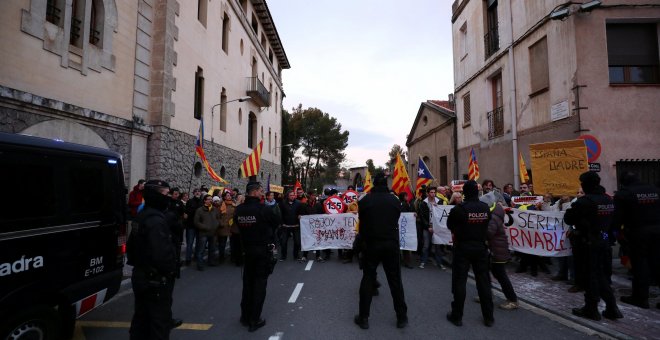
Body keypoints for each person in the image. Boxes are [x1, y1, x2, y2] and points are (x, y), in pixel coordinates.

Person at [564, 171, 622, 321]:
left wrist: (572, 210)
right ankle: (612, 307)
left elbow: (569, 218)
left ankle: (591, 308)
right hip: (603, 238)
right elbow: (614, 221)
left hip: (588, 241)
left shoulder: (584, 202)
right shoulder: (607, 200)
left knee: (590, 276)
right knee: (601, 275)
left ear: (585, 185)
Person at [354, 172, 408, 330]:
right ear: (386, 184)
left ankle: (364, 318)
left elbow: (362, 223)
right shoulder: (395, 201)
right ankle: (402, 317)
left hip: (371, 244)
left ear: (374, 184)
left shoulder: (365, 201)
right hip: (390, 243)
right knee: (395, 281)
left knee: (368, 279)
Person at [128, 180, 179, 340]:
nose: (168, 197)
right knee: (158, 323)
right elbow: (162, 255)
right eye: (165, 194)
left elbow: (132, 247)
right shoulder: (156, 221)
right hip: (154, 280)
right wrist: (171, 270)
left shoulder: (141, 216)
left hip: (141, 275)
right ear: (156, 195)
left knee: (141, 319)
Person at [446, 180, 494, 327]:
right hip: (480, 248)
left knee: (460, 282)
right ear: (477, 192)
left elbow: (450, 226)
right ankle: (489, 317)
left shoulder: (459, 209)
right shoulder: (485, 208)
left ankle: (457, 316)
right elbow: (487, 224)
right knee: (484, 283)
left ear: (465, 193)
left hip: (463, 248)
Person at [235, 181, 279, 332]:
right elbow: (276, 222)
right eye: (261, 191)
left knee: (247, 284)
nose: (262, 194)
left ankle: (245, 316)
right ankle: (255, 319)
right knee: (259, 285)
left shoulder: (239, 210)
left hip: (247, 251)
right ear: (254, 192)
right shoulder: (263, 209)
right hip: (261, 251)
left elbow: (237, 226)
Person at [612, 172, 660, 310]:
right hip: (657, 231)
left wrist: (615, 234)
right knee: (658, 263)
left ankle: (640, 298)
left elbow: (617, 218)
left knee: (640, 266)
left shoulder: (623, 194)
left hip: (638, 233)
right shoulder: (654, 190)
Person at [481, 191, 518, 310]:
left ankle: (512, 300)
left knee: (500, 275)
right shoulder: (495, 213)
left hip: (496, 250)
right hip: (495, 249)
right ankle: (488, 294)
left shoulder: (493, 216)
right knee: (488, 273)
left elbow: (488, 233)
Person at [194, 194, 219, 271]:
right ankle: (200, 264)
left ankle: (211, 261)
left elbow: (218, 218)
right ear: (204, 200)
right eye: (208, 199)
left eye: (211, 199)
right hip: (204, 233)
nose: (210, 200)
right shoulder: (199, 210)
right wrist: (205, 227)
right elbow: (196, 222)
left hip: (213, 232)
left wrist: (217, 224)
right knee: (201, 250)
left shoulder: (214, 209)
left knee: (212, 249)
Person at [279, 190, 302, 261]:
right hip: (286, 226)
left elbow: (301, 212)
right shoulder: (282, 203)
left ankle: (296, 255)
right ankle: (283, 256)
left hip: (296, 226)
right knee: (283, 242)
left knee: (297, 242)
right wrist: (282, 223)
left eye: (293, 195)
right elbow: (280, 214)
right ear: (287, 196)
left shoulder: (298, 203)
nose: (292, 196)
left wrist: (300, 216)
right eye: (291, 195)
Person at [184, 188, 203, 265]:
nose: (197, 193)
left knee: (199, 243)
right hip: (191, 225)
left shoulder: (202, 202)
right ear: (193, 193)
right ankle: (188, 259)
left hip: (199, 226)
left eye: (198, 192)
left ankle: (196, 256)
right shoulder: (190, 201)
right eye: (196, 192)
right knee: (190, 243)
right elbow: (187, 212)